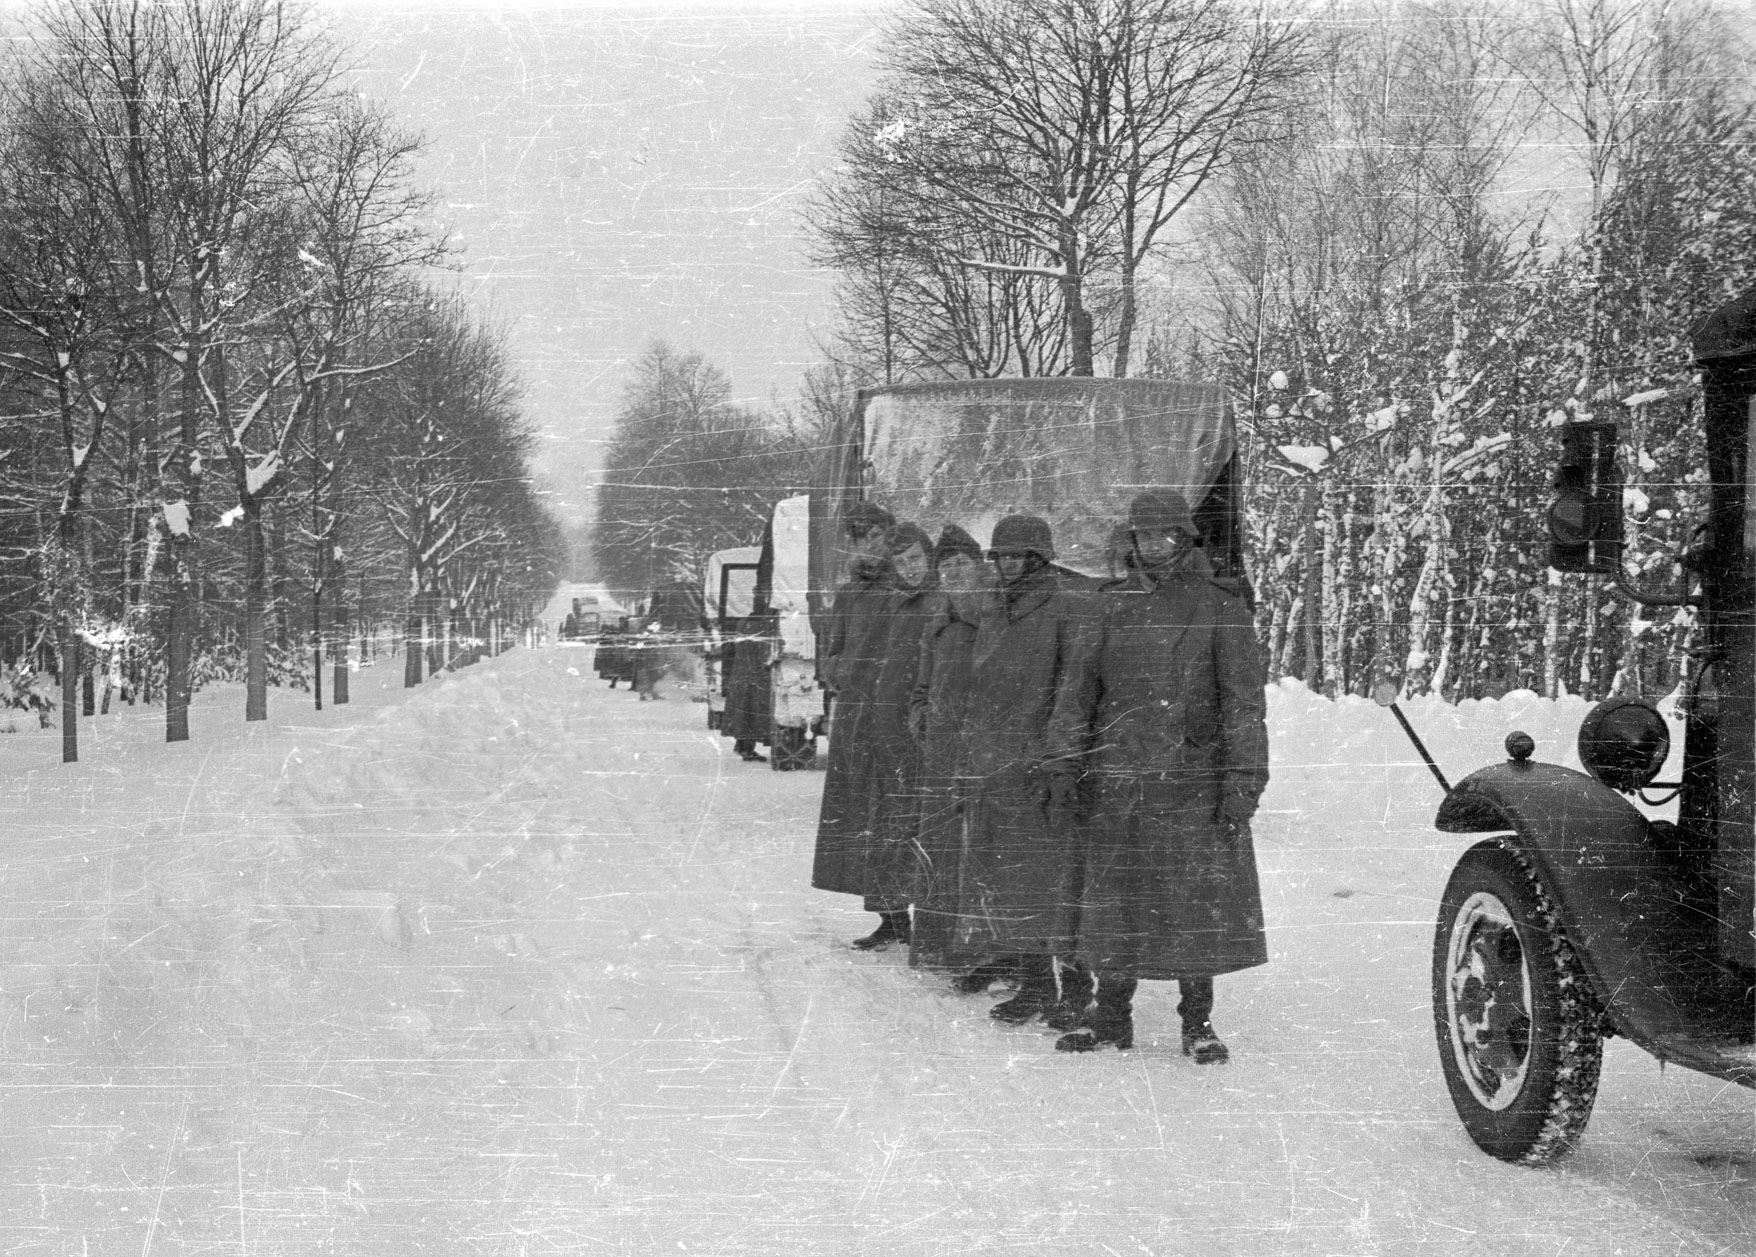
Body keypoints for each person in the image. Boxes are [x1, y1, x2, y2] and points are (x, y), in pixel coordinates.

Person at [1045, 488, 1269, 1062]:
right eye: (1143, 534)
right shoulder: (1107, 605)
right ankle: (1111, 1017)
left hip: (1192, 781)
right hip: (1116, 780)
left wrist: (1243, 781)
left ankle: (1198, 1024)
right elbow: (1076, 696)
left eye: (1163, 533)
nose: (1153, 544)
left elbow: (1244, 705)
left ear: (1184, 537)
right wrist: (1064, 764)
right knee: (1115, 902)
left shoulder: (1219, 606)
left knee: (1191, 904)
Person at [958, 514, 1093, 1024]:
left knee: (1059, 884)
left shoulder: (1065, 606)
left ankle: (1076, 992)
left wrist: (1059, 760)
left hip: (1042, 765)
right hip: (997, 764)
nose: (1009, 565)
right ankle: (1036, 985)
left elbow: (1072, 689)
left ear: (1039, 558)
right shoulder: (996, 605)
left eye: (1018, 556)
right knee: (1014, 882)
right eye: (1002, 557)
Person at [811, 501, 903, 948]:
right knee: (865, 816)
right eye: (859, 537)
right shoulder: (848, 594)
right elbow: (832, 652)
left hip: (895, 714)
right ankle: (891, 915)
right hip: (856, 717)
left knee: (897, 811)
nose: (867, 544)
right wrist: (843, 670)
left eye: (875, 535)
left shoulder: (905, 588)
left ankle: (914, 910)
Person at [906, 524, 988, 969]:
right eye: (946, 566)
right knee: (938, 845)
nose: (954, 572)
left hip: (981, 749)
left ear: (979, 567)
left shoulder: (995, 617)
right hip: (940, 749)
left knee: (975, 847)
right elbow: (921, 686)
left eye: (962, 563)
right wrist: (921, 718)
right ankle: (936, 942)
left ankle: (976, 952)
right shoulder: (936, 621)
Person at [856, 522, 938, 942]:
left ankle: (931, 923)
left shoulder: (944, 601)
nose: (909, 568)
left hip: (927, 734)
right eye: (901, 562)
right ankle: (891, 917)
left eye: (916, 559)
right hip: (889, 733)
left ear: (930, 557)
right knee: (890, 825)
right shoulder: (892, 603)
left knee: (929, 829)